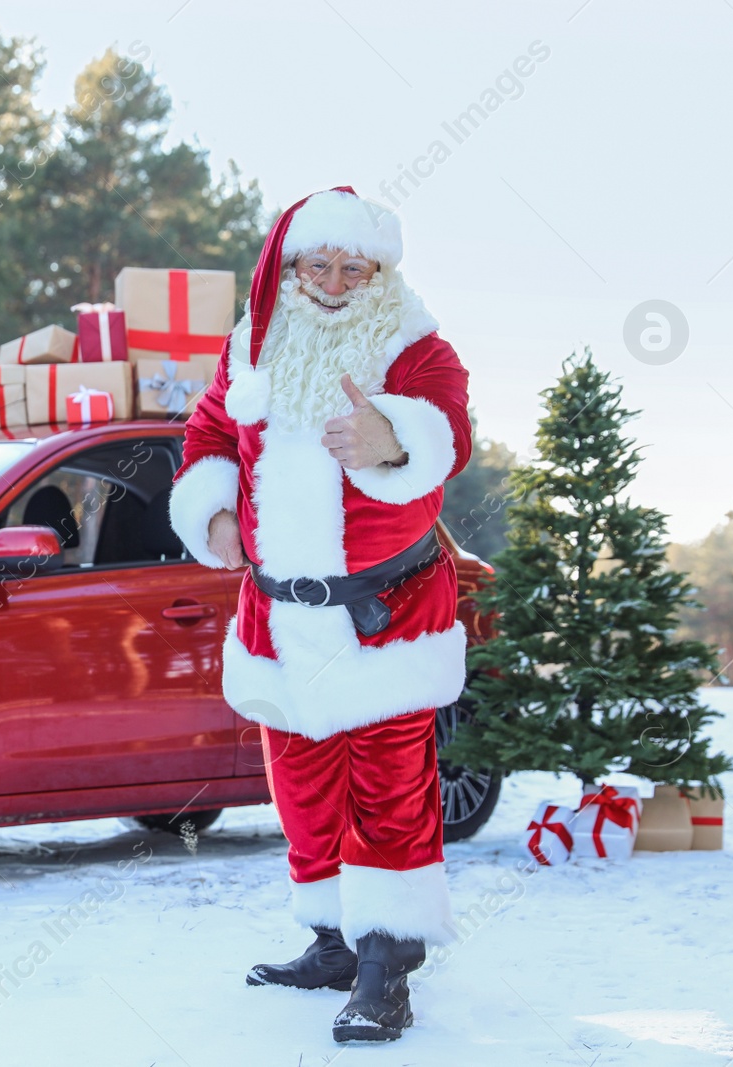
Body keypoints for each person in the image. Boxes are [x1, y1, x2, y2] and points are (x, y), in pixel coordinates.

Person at [167, 186, 471, 1044]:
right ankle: (333, 941)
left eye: (352, 265)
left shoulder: (416, 347)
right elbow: (212, 431)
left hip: (384, 615)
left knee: (389, 793)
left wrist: (393, 440)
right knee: (301, 791)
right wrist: (215, 509)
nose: (334, 281)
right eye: (318, 263)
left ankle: (386, 968)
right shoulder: (252, 345)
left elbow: (448, 424)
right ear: (291, 266)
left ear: (378, 272)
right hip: (278, 618)